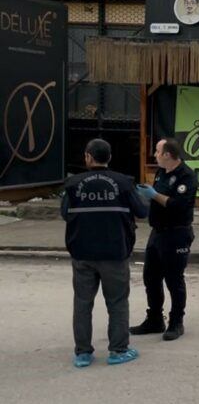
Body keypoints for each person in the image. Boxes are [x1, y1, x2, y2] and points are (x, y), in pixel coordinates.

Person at [62, 138, 148, 367]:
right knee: (117, 302)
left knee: (82, 303)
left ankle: (82, 353)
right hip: (115, 252)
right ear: (109, 157)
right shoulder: (124, 182)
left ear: (88, 157)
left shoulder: (72, 184)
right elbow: (141, 211)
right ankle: (118, 351)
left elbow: (65, 213)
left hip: (82, 253)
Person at [131, 138, 197, 341]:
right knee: (150, 277)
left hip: (176, 233)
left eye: (158, 152)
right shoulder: (161, 172)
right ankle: (154, 319)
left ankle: (176, 321)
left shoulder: (186, 176)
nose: (155, 155)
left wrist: (154, 195)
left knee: (174, 279)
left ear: (167, 154)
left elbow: (179, 205)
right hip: (158, 232)